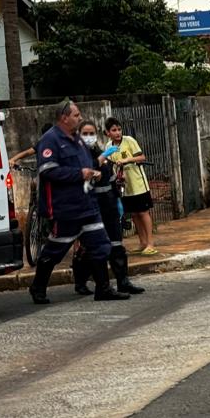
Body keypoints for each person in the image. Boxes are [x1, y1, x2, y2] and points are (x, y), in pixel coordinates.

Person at [28, 100, 129, 305]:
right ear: (64, 118)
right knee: (55, 249)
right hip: (66, 208)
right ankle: (38, 286)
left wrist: (95, 170)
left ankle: (103, 288)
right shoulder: (50, 140)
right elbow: (47, 170)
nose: (80, 118)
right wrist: (79, 174)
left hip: (88, 205)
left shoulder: (78, 140)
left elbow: (87, 164)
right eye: (76, 115)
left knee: (100, 245)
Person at [70, 120, 144, 297]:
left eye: (91, 133)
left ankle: (123, 281)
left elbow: (109, 178)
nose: (89, 137)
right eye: (85, 133)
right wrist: (100, 161)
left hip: (109, 204)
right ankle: (82, 282)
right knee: (92, 247)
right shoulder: (78, 154)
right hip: (92, 207)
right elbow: (82, 174)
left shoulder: (99, 152)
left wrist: (117, 200)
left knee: (117, 243)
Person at [105, 118, 157, 256]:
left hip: (138, 183)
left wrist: (127, 160)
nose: (117, 133)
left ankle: (150, 243)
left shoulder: (129, 141)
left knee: (143, 212)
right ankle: (142, 242)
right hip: (124, 186)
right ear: (108, 133)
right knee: (134, 214)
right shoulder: (108, 146)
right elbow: (110, 164)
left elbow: (142, 157)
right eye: (114, 130)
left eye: (119, 129)